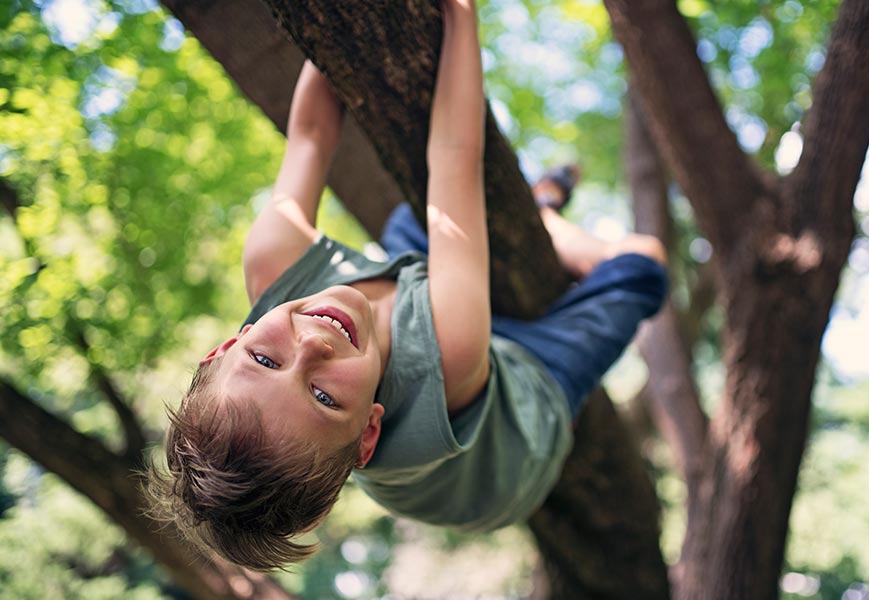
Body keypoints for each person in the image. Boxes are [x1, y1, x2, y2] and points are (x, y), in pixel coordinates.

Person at [147, 0, 667, 572]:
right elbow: (454, 157)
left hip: (437, 315)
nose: (312, 349)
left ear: (228, 345)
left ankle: (538, 210)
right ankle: (544, 212)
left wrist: (335, 22)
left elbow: (313, 132)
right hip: (513, 438)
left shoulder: (276, 262)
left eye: (266, 360)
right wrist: (461, 16)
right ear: (369, 432)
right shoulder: (450, 350)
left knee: (416, 217)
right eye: (323, 397)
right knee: (642, 264)